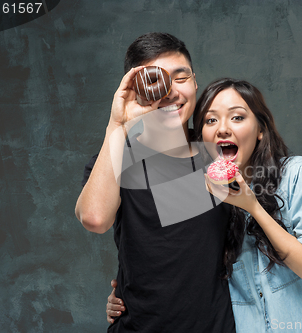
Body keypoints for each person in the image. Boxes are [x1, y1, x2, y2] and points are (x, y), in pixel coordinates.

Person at [108, 78, 302, 332]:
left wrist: (253, 207)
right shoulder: (208, 197)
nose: (222, 129)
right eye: (211, 120)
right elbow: (150, 241)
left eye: (237, 117)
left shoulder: (297, 174)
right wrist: (124, 296)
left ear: (260, 130)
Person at [75, 33, 235, 333]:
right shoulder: (117, 156)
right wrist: (118, 126)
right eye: (156, 81)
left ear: (195, 82)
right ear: (137, 91)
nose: (171, 91)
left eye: (181, 77)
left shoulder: (219, 153)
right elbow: (94, 219)